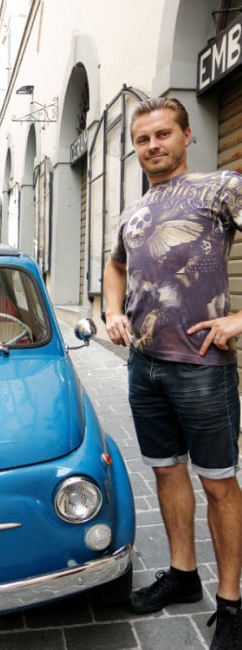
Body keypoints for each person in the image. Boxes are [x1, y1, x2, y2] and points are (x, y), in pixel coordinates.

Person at [103, 96, 242, 650]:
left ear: (187, 136)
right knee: (166, 472)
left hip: (203, 366)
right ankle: (184, 576)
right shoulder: (132, 214)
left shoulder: (220, 187)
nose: (153, 146)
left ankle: (231, 601)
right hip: (144, 366)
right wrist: (112, 312)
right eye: (142, 139)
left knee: (220, 485)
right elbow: (115, 266)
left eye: (163, 134)